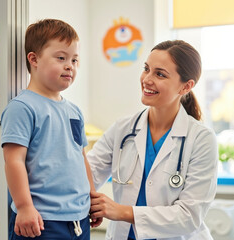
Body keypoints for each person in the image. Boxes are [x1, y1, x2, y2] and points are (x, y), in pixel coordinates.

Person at [87, 40, 218, 239]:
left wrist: (121, 211)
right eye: (146, 69)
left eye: (160, 74)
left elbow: (189, 216)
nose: (147, 79)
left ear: (186, 86)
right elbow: (88, 175)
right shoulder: (123, 129)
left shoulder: (201, 139)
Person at [1, 19, 100, 240]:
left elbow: (81, 157)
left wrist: (92, 198)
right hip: (40, 221)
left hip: (78, 218)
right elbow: (13, 161)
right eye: (61, 58)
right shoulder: (22, 107)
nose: (70, 66)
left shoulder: (74, 111)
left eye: (75, 60)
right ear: (34, 59)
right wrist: (25, 207)